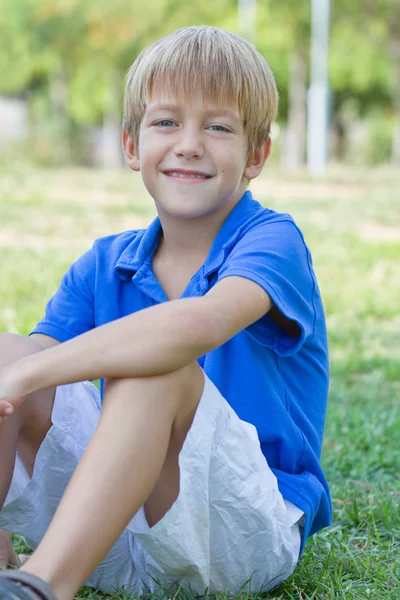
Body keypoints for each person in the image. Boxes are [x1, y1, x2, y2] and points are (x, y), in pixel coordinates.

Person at [0, 25, 332, 600]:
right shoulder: (104, 262)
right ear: (132, 145)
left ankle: (40, 588)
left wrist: (27, 374)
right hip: (109, 532)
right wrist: (18, 369)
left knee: (156, 371)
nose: (189, 143)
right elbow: (26, 391)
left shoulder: (272, 241)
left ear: (257, 154)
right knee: (8, 349)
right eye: (166, 122)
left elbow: (196, 326)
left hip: (237, 534)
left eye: (218, 127)